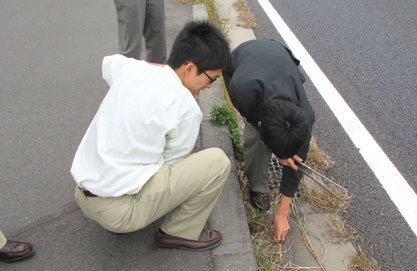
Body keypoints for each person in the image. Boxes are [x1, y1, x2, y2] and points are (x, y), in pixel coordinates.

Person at [71, 21, 231, 251]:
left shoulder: (133, 68)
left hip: (83, 193)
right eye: (211, 79)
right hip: (119, 213)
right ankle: (179, 231)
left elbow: (109, 63)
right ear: (189, 68)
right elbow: (172, 164)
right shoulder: (186, 108)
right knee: (217, 162)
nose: (210, 86)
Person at [223, 39, 315, 243]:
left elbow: (297, 162)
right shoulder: (242, 90)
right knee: (255, 138)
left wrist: (282, 213)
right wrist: (269, 143)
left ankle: (271, 155)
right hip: (242, 58)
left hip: (279, 55)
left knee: (287, 150)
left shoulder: (305, 117)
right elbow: (257, 124)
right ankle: (257, 187)